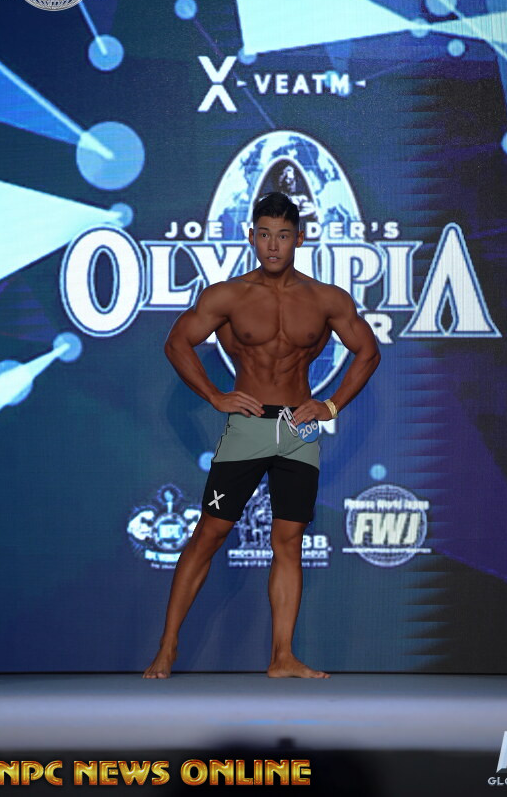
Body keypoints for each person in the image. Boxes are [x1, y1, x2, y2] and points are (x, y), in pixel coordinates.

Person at [143, 192, 380, 679]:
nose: (273, 245)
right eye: (265, 234)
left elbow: (368, 351)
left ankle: (282, 657)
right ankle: (167, 647)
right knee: (211, 532)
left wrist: (331, 405)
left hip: (298, 429)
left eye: (283, 236)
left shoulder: (326, 299)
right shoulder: (228, 296)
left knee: (288, 541)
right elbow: (177, 341)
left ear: (300, 239)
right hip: (248, 427)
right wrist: (214, 396)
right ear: (252, 236)